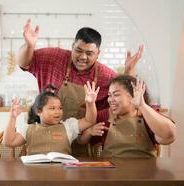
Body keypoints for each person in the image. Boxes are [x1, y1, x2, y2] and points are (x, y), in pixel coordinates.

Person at [17, 19, 144, 156]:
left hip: (81, 142)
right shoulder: (54, 58)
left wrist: (129, 71)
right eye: (78, 50)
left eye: (89, 53)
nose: (83, 57)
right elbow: (24, 63)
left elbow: (125, 95)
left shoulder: (105, 75)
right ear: (72, 46)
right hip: (42, 138)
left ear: (98, 53)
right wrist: (30, 46)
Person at [79, 75, 178, 186]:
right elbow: (82, 139)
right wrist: (89, 128)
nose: (110, 100)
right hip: (112, 182)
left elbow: (169, 135)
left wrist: (142, 105)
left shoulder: (147, 115)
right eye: (109, 95)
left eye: (116, 94)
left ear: (132, 96)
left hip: (146, 182)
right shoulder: (104, 116)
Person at [4, 81, 99, 186]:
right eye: (52, 108)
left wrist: (90, 104)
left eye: (60, 108)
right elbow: (9, 142)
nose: (57, 112)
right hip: (32, 183)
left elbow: (89, 121)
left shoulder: (68, 126)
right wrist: (12, 118)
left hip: (62, 183)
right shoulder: (29, 128)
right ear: (39, 111)